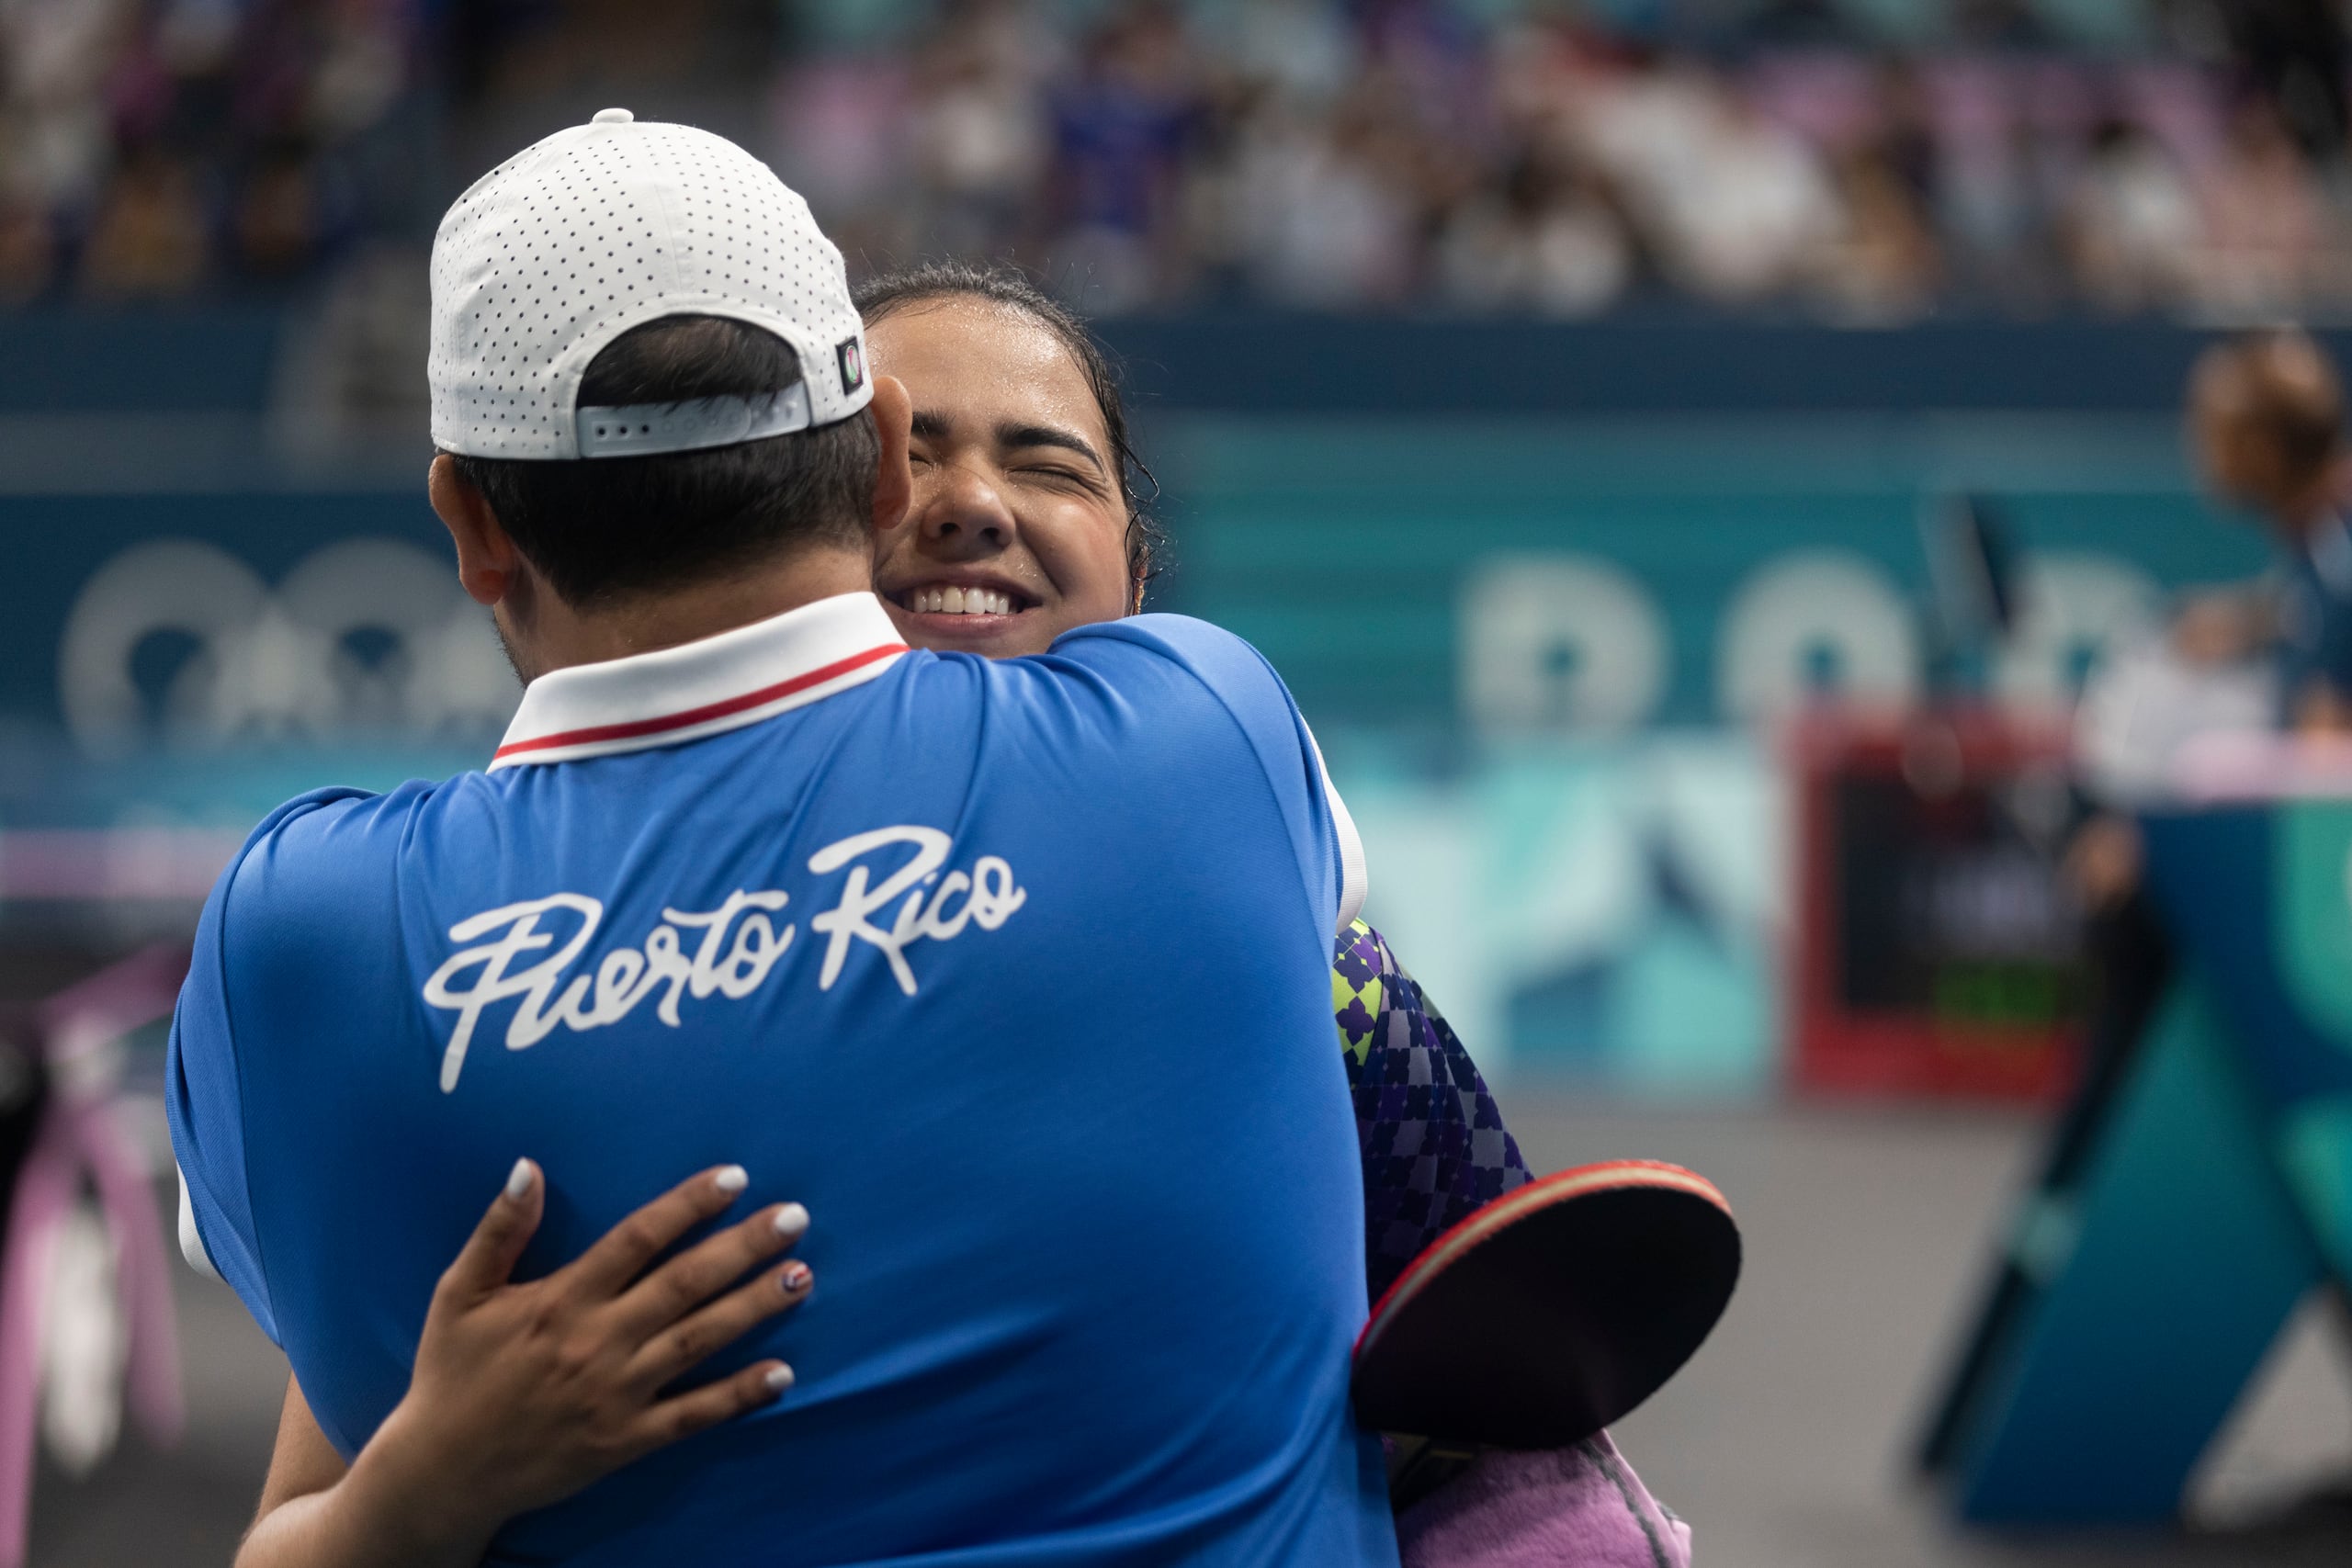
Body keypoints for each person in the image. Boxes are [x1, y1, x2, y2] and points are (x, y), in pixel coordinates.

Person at [174, 112, 1396, 1567]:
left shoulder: (310, 944)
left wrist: (419, 1491)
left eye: (1047, 466)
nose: (974, 508)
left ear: (472, 523)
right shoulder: (1211, 737)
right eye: (930, 455)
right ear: (878, 459)